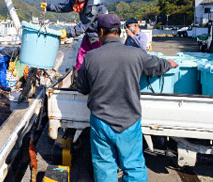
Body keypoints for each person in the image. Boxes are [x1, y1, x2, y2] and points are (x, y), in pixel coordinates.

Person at [76, 14, 178, 182]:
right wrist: (169, 63)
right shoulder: (136, 54)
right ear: (120, 31)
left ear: (101, 32)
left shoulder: (90, 57)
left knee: (104, 166)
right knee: (133, 165)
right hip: (130, 120)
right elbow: (156, 66)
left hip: (101, 121)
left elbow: (82, 88)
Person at [41, 0, 108, 70]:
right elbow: (63, 6)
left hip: (99, 37)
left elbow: (83, 26)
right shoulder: (77, 0)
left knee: (98, 62)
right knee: (80, 60)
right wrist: (48, 7)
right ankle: (79, 79)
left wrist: (67, 33)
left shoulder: (94, 6)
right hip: (88, 35)